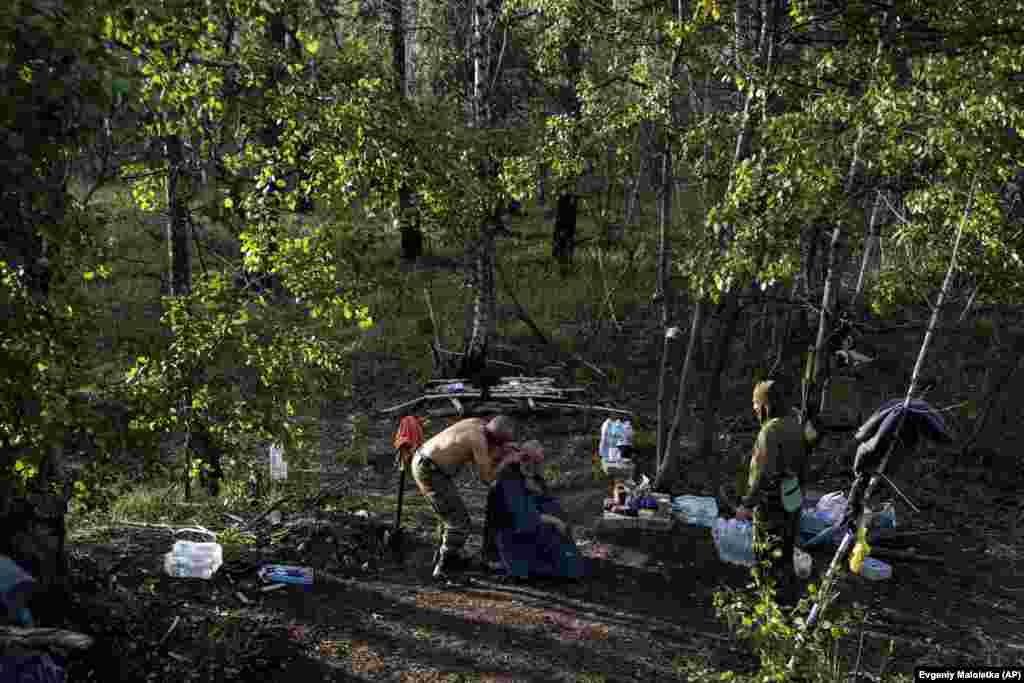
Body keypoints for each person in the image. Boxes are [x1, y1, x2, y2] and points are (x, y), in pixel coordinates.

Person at [411, 415, 518, 580]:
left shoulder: (478, 423)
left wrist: (503, 449)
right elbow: (487, 478)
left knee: (451, 517)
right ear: (496, 438)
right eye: (501, 442)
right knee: (459, 521)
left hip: (427, 462)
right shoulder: (478, 440)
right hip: (429, 469)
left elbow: (487, 453)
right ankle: (445, 569)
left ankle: (446, 559)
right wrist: (506, 461)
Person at [735, 379, 810, 601]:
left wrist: (747, 504)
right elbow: (804, 469)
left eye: (756, 405)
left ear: (766, 406)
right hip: (792, 504)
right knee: (785, 559)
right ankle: (787, 607)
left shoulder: (770, 430)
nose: (755, 410)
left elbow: (764, 474)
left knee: (766, 559)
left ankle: (767, 608)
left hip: (771, 510)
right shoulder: (796, 426)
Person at [484, 440, 583, 582]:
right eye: (537, 462)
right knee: (562, 563)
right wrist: (555, 521)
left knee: (569, 560)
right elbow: (523, 514)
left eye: (540, 462)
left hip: (531, 524)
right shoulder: (509, 477)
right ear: (527, 459)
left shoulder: (533, 477)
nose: (540, 466)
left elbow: (547, 501)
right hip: (511, 533)